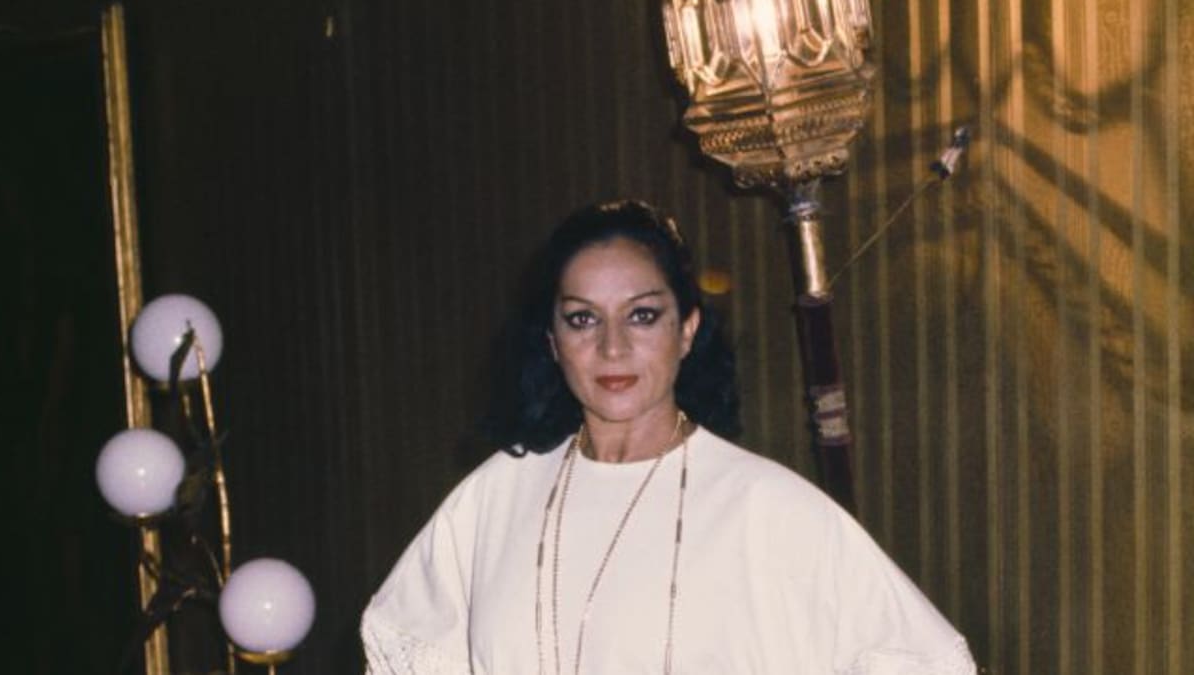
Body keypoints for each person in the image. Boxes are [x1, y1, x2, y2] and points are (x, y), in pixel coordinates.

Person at [361, 200, 977, 674]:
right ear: (552, 341)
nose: (612, 347)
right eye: (582, 319)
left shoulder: (769, 510)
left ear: (686, 330)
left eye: (642, 315)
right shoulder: (494, 497)